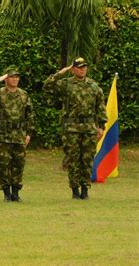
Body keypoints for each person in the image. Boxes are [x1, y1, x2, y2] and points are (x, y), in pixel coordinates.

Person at [43, 57, 107, 200]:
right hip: (71, 127)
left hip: (89, 127)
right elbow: (47, 86)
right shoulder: (66, 84)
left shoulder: (94, 86)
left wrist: (101, 126)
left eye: (84, 67)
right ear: (73, 69)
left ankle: (85, 189)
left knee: (87, 159)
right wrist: (62, 72)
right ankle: (74, 190)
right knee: (73, 159)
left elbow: (100, 107)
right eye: (79, 67)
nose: (82, 69)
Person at [0, 66, 34, 202]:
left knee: (18, 164)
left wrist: (29, 133)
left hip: (19, 134)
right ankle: (6, 192)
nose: (15, 79)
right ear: (6, 78)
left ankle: (16, 192)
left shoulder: (23, 94)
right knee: (2, 164)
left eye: (16, 77)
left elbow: (30, 114)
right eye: (12, 77)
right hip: (3, 134)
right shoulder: (0, 93)